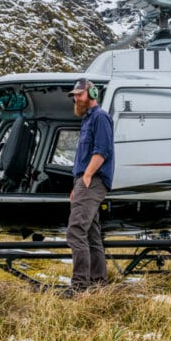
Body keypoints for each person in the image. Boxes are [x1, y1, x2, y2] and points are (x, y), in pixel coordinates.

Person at [65, 78, 114, 293]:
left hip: (92, 180)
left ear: (92, 94)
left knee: (75, 231)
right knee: (92, 235)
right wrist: (78, 184)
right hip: (85, 181)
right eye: (74, 95)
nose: (76, 98)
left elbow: (102, 150)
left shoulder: (100, 117)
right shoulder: (86, 119)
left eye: (79, 94)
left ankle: (79, 287)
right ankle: (98, 286)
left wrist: (86, 177)